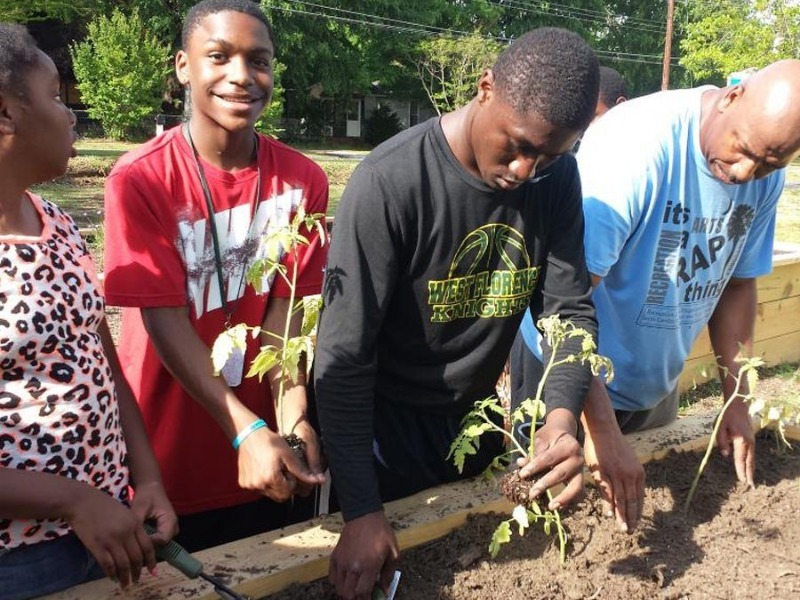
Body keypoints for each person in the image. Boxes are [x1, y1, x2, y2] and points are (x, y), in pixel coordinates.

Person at [314, 28, 600, 600]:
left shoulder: (556, 180)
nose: (526, 171)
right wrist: (363, 510)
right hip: (380, 436)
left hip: (472, 427)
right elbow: (343, 357)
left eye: (549, 154)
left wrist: (562, 417)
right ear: (485, 88)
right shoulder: (390, 182)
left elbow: (569, 311)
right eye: (517, 146)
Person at [515, 59, 800, 535]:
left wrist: (737, 398)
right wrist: (601, 430)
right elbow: (564, 306)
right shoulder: (636, 148)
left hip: (653, 376)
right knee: (552, 514)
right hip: (563, 370)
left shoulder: (764, 168)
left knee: (632, 489)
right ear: (732, 96)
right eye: (745, 150)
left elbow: (737, 281)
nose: (745, 172)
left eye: (771, 162)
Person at [103, 0, 328, 553]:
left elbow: (286, 323)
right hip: (170, 461)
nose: (241, 76)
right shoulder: (142, 179)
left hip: (264, 464)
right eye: (218, 56)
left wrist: (292, 424)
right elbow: (163, 321)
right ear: (184, 66)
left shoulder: (303, 181)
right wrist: (245, 430)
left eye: (259, 60)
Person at [0, 23, 177, 599]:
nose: (72, 115)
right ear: (6, 114)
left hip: (109, 528)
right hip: (21, 560)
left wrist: (145, 477)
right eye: (55, 97)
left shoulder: (59, 222)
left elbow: (102, 361)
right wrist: (73, 501)